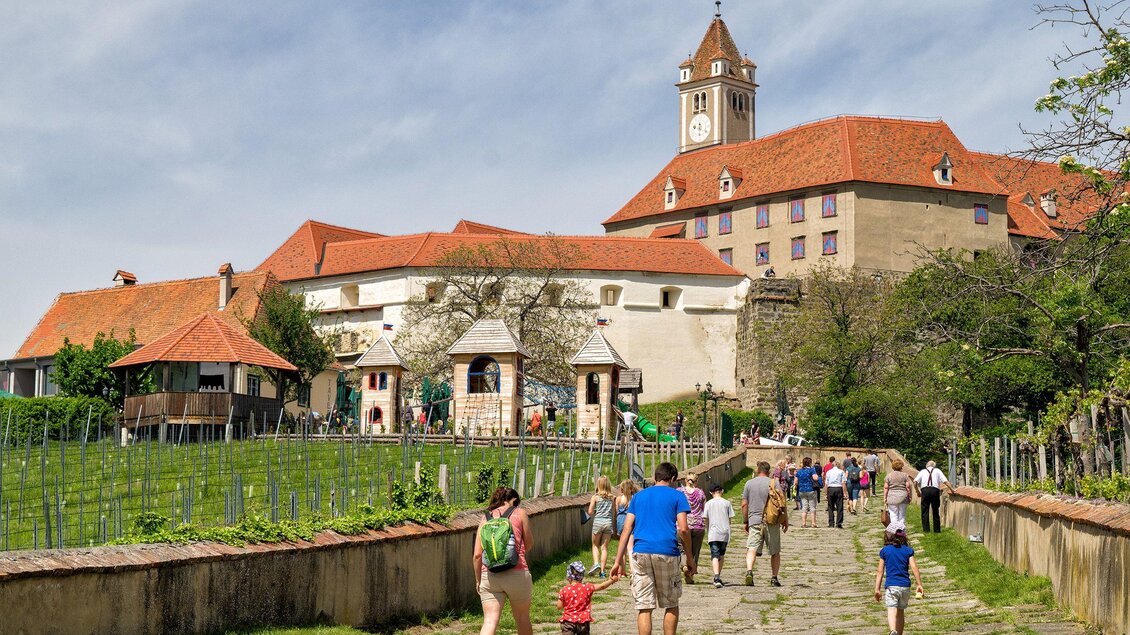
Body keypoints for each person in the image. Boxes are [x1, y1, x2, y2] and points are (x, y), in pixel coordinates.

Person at [609, 462, 692, 635]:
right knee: (671, 603)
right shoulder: (678, 496)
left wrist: (618, 561)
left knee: (644, 606)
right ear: (674, 478)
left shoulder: (639, 497)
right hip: (667, 551)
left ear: (655, 478)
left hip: (641, 553)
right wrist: (690, 558)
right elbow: (683, 529)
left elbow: (626, 528)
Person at [474, 487, 534, 635]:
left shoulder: (485, 518)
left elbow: (477, 555)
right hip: (517, 572)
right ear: (513, 500)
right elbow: (529, 544)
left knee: (489, 620)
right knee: (522, 617)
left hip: (489, 575)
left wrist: (478, 580)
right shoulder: (520, 513)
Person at [741, 461, 788, 587]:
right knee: (775, 551)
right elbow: (782, 502)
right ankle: (774, 578)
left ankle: (749, 571)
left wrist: (746, 521)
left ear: (758, 470)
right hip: (771, 520)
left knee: (751, 548)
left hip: (754, 520)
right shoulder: (774, 483)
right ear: (769, 471)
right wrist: (785, 520)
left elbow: (744, 504)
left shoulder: (749, 483)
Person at [874, 525, 925, 635]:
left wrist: (877, 589)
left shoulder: (885, 551)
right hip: (905, 587)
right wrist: (919, 584)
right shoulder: (908, 551)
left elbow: (880, 571)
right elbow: (914, 568)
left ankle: (893, 631)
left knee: (892, 609)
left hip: (892, 586)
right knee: (901, 612)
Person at [557, 561, 619, 635]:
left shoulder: (564, 590)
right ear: (582, 576)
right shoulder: (587, 587)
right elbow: (602, 586)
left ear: (569, 576)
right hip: (583, 622)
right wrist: (612, 580)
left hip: (568, 622)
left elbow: (559, 606)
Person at [702, 483, 733, 588]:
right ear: (722, 491)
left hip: (713, 532)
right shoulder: (727, 503)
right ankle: (718, 575)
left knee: (715, 554)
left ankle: (716, 577)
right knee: (721, 555)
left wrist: (707, 528)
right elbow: (730, 518)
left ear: (711, 493)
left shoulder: (709, 504)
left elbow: (705, 518)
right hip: (725, 532)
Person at [678, 472, 706, 584]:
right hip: (698, 525)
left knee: (682, 548)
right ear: (696, 481)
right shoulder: (700, 493)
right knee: (694, 551)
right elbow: (704, 509)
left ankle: (684, 565)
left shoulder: (680, 492)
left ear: (686, 480)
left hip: (683, 524)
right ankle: (691, 575)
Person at [913, 460, 953, 533]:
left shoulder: (922, 471)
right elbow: (945, 481)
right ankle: (937, 530)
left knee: (924, 510)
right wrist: (952, 490)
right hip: (935, 491)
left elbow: (915, 482)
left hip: (925, 491)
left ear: (927, 465)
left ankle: (926, 530)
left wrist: (917, 491)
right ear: (934, 466)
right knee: (935, 510)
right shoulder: (937, 471)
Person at [587, 476, 616, 577]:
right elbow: (613, 513)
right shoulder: (612, 498)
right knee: (604, 548)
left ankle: (596, 564)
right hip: (608, 523)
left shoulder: (595, 497)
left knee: (595, 545)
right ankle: (602, 572)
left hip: (598, 522)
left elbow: (590, 512)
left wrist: (596, 510)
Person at [616, 479, 639, 572]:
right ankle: (633, 569)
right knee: (630, 546)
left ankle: (622, 570)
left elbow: (616, 511)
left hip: (620, 521)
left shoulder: (618, 499)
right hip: (630, 522)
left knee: (622, 546)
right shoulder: (634, 498)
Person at [884, 459, 913, 525]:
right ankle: (901, 531)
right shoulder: (905, 475)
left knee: (893, 515)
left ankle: (895, 531)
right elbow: (908, 487)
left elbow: (886, 488)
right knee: (902, 515)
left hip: (891, 497)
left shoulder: (889, 476)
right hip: (903, 497)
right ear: (901, 466)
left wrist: (885, 498)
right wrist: (910, 496)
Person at [794, 457, 820, 528]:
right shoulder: (812, 470)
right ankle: (813, 523)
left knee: (804, 507)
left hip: (802, 490)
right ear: (810, 463)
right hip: (811, 489)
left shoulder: (799, 471)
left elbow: (795, 482)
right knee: (812, 507)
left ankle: (804, 523)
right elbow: (815, 478)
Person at [825, 460, 847, 528]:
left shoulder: (828, 472)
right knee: (839, 506)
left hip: (830, 488)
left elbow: (826, 483)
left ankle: (831, 523)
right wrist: (845, 493)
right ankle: (839, 523)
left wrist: (826, 493)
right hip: (838, 488)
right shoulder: (841, 472)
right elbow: (843, 483)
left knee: (830, 506)